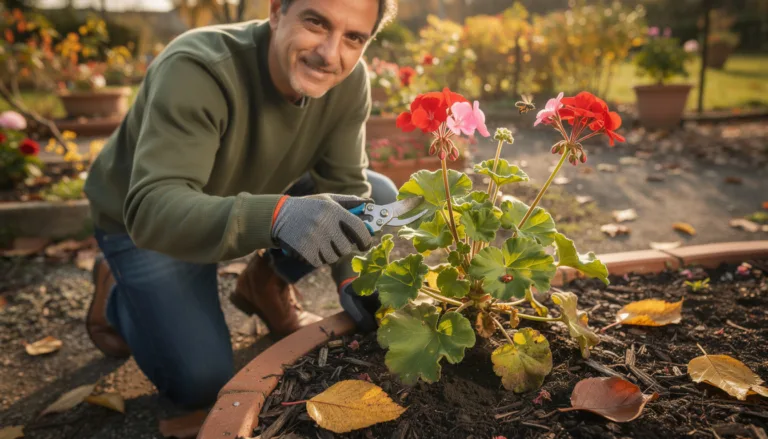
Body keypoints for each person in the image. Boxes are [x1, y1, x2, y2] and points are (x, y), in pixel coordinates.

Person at [83, 0, 396, 411]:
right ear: (276, 11)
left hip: (244, 193)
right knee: (201, 382)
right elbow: (151, 208)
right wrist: (278, 217)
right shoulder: (197, 67)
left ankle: (263, 283)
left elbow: (346, 186)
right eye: (316, 23)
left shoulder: (349, 80)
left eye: (354, 37)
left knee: (377, 198)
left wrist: (354, 279)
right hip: (148, 224)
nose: (330, 54)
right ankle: (118, 292)